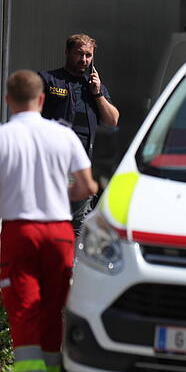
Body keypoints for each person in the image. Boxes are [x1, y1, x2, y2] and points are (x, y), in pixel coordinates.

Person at [0, 70, 98, 372]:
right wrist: (58, 191)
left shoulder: (3, 136)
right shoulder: (64, 134)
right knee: (55, 308)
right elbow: (88, 187)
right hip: (59, 232)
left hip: (20, 231)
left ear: (8, 100)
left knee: (24, 306)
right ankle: (54, 367)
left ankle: (30, 369)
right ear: (42, 100)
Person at [39, 33, 119, 226]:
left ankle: (72, 257)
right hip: (54, 164)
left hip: (82, 167)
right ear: (67, 52)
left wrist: (97, 93)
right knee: (50, 218)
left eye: (88, 55)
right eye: (79, 54)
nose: (84, 59)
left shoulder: (94, 87)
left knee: (79, 223)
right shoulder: (48, 80)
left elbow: (112, 120)